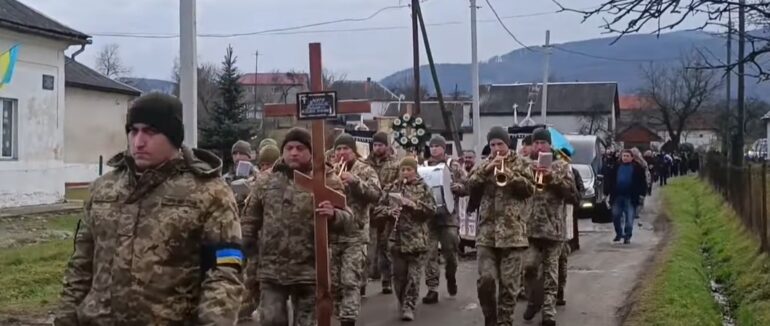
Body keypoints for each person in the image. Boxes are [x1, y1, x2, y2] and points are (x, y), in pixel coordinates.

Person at [55, 93, 244, 325]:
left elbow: (224, 273)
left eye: (151, 132)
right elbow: (80, 266)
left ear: (174, 136)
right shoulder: (103, 189)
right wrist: (65, 319)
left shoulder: (209, 192)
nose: (138, 142)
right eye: (133, 131)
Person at [242, 127, 355, 326]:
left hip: (310, 270)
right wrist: (244, 252)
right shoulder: (266, 180)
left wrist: (334, 215)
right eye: (289, 148)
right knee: (270, 320)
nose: (294, 152)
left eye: (300, 148)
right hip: (272, 270)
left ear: (311, 152)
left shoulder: (326, 180)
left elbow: (349, 220)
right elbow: (250, 220)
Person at [467, 126, 535, 326]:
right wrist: (488, 169)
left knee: (509, 285)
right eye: (493, 145)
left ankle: (505, 322)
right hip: (487, 234)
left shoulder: (522, 163)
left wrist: (509, 174)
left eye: (500, 144)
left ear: (508, 144)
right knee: (486, 280)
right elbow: (469, 184)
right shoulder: (484, 164)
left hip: (513, 234)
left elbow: (529, 189)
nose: (497, 149)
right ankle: (490, 317)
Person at [522, 128, 577, 326]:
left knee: (551, 274)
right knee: (528, 268)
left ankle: (548, 312)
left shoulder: (562, 166)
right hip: (530, 229)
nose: (539, 146)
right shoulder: (525, 165)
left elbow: (573, 195)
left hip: (553, 229)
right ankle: (534, 300)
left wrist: (551, 177)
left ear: (550, 145)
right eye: (536, 143)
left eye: (542, 143)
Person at [330, 133, 382, 326]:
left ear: (354, 151)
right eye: (338, 149)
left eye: (346, 149)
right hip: (333, 233)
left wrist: (354, 181)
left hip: (356, 234)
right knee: (334, 283)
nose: (342, 153)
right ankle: (340, 313)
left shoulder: (365, 170)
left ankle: (348, 319)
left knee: (350, 279)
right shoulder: (329, 170)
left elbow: (377, 195)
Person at [377, 156, 436, 321]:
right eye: (403, 170)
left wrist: (413, 205)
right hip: (396, 240)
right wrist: (389, 212)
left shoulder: (423, 188)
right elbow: (377, 210)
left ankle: (409, 305)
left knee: (413, 277)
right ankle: (403, 302)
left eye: (409, 170)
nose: (405, 173)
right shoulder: (391, 188)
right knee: (399, 277)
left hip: (417, 240)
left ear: (415, 171)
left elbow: (431, 210)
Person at [422, 135, 467, 304]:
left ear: (443, 147)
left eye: (437, 146)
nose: (433, 149)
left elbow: (468, 184)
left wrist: (459, 187)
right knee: (429, 254)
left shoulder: (453, 166)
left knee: (450, 253)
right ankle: (432, 289)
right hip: (429, 217)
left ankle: (451, 276)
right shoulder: (424, 166)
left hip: (449, 217)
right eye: (431, 146)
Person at [239, 143, 281, 322]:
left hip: (270, 241)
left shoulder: (276, 181)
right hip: (255, 239)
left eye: (268, 165)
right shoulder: (256, 180)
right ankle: (248, 310)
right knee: (251, 275)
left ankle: (259, 309)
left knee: (263, 281)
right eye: (262, 165)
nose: (264, 169)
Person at [365, 131, 401, 294]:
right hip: (370, 210)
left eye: (380, 145)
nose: (377, 148)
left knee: (385, 247)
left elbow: (398, 186)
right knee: (367, 248)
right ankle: (362, 282)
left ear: (387, 146)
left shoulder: (395, 165)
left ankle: (386, 280)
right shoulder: (366, 164)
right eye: (375, 145)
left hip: (386, 211)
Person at [604, 149, 647, 244]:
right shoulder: (616, 167)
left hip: (631, 196)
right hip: (617, 196)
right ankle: (619, 233)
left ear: (632, 157)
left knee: (629, 217)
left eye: (627, 156)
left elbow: (643, 183)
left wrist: (642, 195)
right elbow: (610, 181)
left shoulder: (637, 168)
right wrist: (606, 193)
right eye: (624, 156)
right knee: (615, 216)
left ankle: (627, 235)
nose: (625, 157)